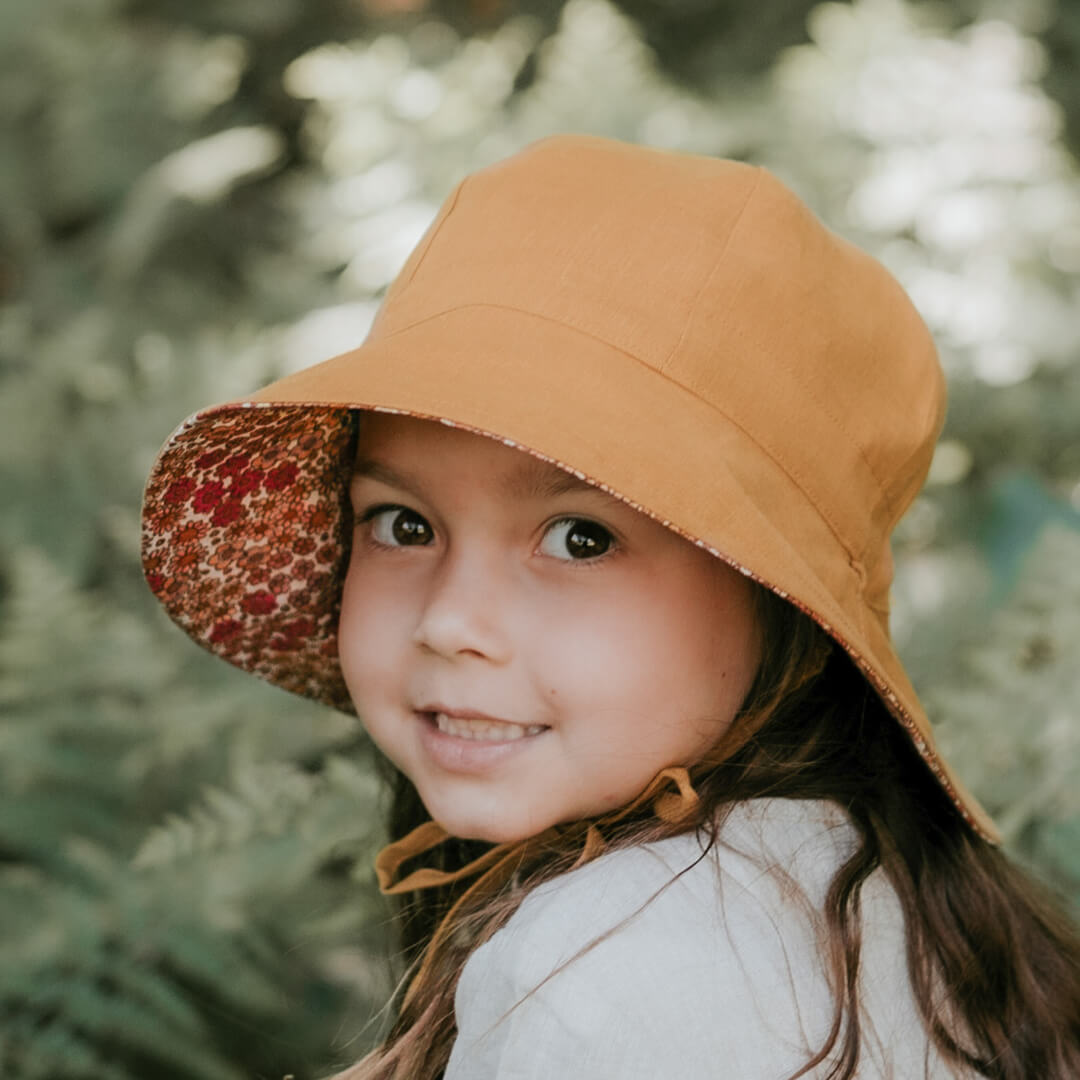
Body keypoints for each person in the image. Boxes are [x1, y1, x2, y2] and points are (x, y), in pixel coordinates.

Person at [140, 135, 1080, 1079]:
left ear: (779, 598)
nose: (449, 622)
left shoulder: (613, 977)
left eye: (581, 539)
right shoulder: (874, 901)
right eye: (403, 525)